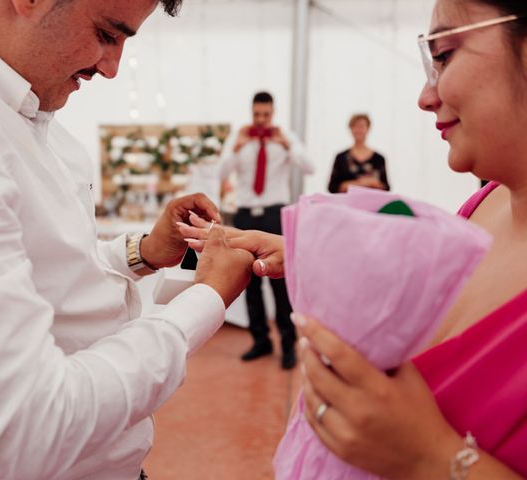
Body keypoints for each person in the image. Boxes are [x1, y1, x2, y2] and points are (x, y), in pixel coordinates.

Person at [0, 1, 254, 479]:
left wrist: (140, 252)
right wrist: (207, 299)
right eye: (107, 34)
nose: (112, 67)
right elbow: (30, 428)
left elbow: (47, 273)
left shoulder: (18, 100)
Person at [180, 0, 527, 477]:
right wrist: (303, 253)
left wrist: (429, 456)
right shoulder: (484, 203)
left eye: (443, 54)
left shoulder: (292, 143)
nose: (426, 96)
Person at [219, 91, 314, 370]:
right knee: (249, 280)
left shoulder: (284, 136)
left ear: (272, 112)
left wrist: (287, 145)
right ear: (252, 112)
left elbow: (309, 166)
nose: (261, 120)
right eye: (257, 114)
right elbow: (221, 173)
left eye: (266, 115)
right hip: (246, 213)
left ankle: (288, 345)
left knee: (280, 280)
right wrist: (236, 147)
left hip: (275, 213)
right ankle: (260, 340)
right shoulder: (240, 137)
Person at [328, 113, 390, 193]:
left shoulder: (379, 159)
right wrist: (359, 183)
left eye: (362, 126)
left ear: (368, 129)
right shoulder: (341, 158)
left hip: (372, 204)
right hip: (346, 204)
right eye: (355, 126)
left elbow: (386, 188)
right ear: (350, 129)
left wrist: (373, 183)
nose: (358, 130)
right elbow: (332, 187)